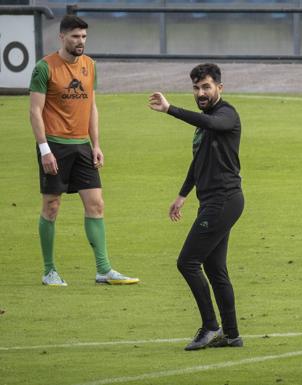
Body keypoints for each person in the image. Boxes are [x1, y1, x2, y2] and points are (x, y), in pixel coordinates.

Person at [29, 15, 139, 286]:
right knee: (52, 206)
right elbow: (35, 111)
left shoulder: (90, 65)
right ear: (62, 37)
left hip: (82, 146)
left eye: (84, 37)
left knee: (96, 204)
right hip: (54, 145)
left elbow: (91, 107)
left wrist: (96, 144)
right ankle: (49, 271)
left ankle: (104, 269)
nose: (81, 42)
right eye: (76, 36)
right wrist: (45, 150)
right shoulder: (44, 68)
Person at [148, 63, 244, 351]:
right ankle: (231, 335)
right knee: (215, 268)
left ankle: (210, 326)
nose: (201, 93)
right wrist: (182, 194)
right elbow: (198, 161)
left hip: (224, 200)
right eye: (196, 88)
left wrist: (170, 110)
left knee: (187, 262)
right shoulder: (204, 122)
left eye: (206, 87)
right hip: (212, 202)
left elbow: (213, 124)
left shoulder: (226, 114)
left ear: (219, 88)